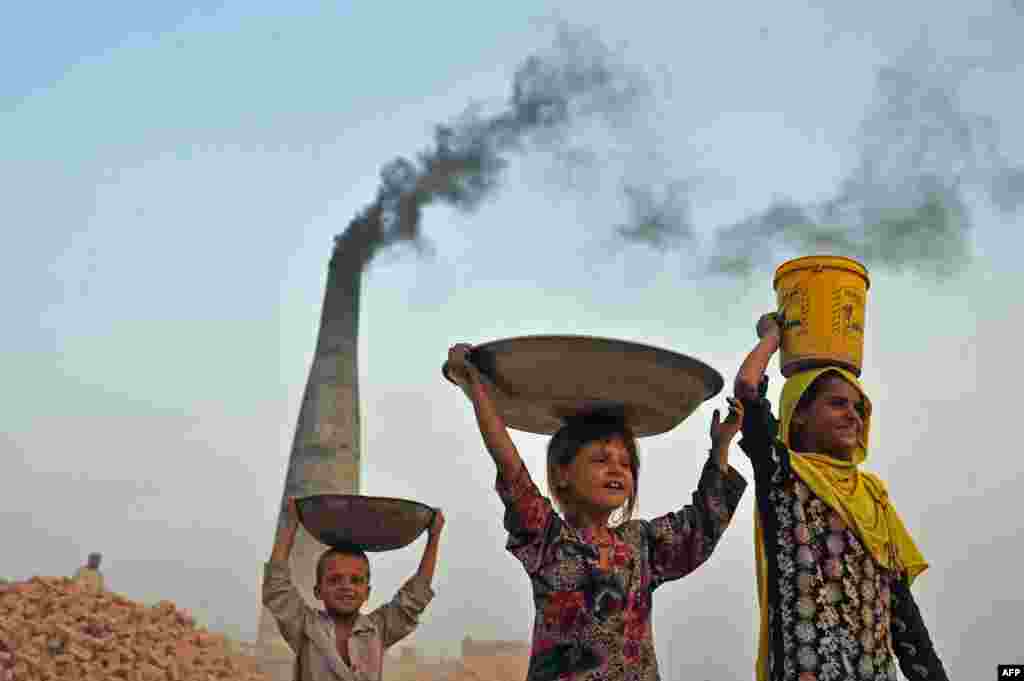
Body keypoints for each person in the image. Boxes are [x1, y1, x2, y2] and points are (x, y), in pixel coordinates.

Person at [446, 342, 747, 681]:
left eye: (625, 464)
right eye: (601, 460)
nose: (617, 470)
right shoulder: (548, 540)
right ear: (562, 473)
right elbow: (511, 467)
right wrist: (477, 388)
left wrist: (720, 448)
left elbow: (702, 522)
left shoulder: (641, 544)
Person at [734, 314, 948, 681]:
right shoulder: (785, 477)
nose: (853, 416)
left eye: (858, 408)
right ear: (798, 414)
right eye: (837, 404)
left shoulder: (873, 498)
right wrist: (773, 337)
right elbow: (748, 387)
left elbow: (904, 621)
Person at [262, 497, 444, 681]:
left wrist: (434, 537)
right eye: (334, 580)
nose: (346, 587)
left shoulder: (377, 629)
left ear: (367, 593)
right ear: (318, 591)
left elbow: (415, 597)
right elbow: (277, 587)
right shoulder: (304, 626)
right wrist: (289, 524)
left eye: (356, 580)